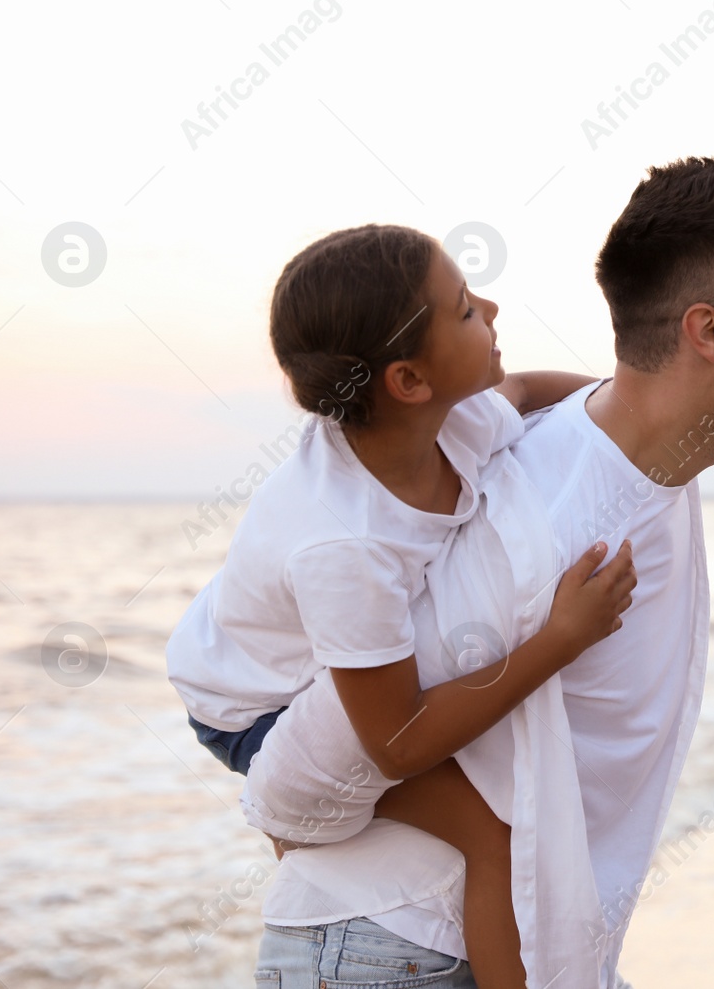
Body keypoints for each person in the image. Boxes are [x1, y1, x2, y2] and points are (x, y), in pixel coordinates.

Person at [253, 157, 714, 987]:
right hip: (397, 951)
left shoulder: (643, 455)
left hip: (500, 941)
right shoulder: (539, 533)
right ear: (709, 332)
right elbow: (304, 760)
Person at [166, 224, 636, 988]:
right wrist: (561, 637)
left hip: (288, 641)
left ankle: (320, 836)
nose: (488, 305)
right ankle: (307, 836)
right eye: (461, 309)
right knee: (493, 836)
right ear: (410, 381)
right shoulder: (343, 542)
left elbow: (532, 393)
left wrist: (634, 411)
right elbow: (399, 740)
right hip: (249, 706)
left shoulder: (456, 418)